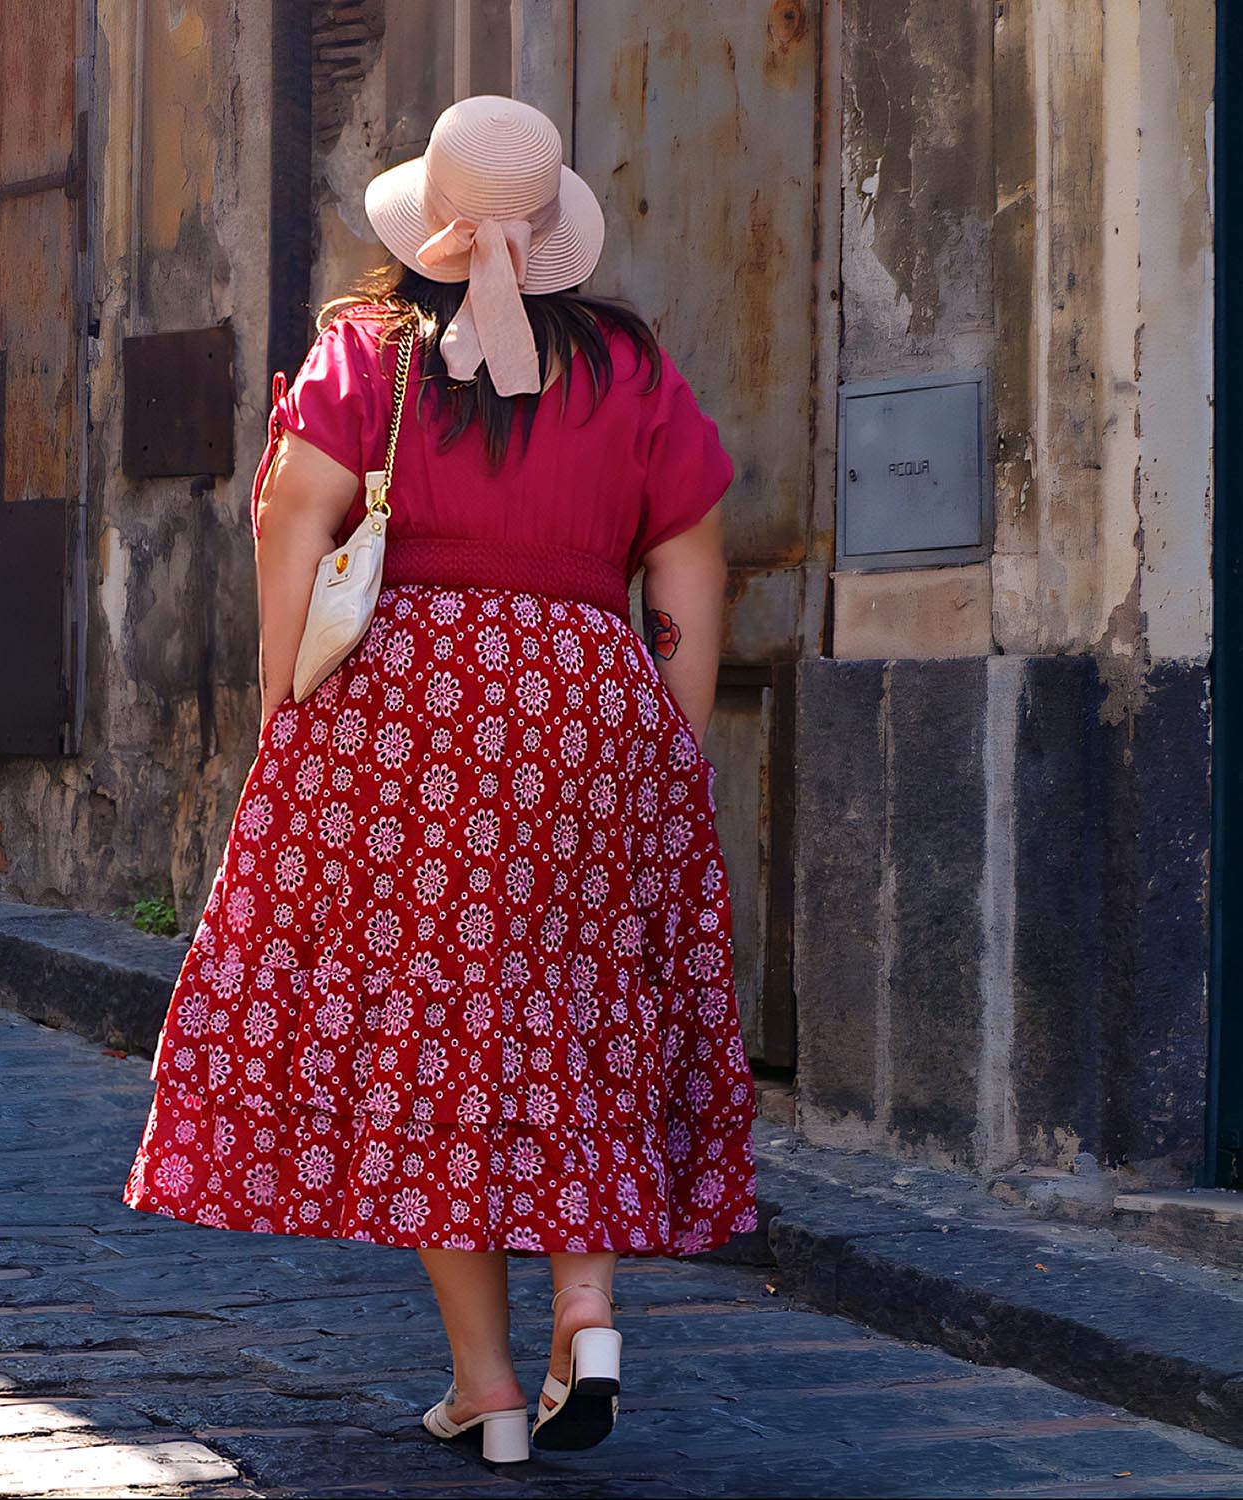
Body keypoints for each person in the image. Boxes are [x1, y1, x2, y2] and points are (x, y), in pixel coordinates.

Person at [124, 94, 758, 1464]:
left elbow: (297, 516)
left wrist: (287, 699)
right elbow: (692, 556)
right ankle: (585, 1309)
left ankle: (485, 1388)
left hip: (404, 727)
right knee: (575, 1005)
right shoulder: (631, 372)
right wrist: (670, 742)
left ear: (428, 224)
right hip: (588, 710)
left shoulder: (370, 353)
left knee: (431, 1039)